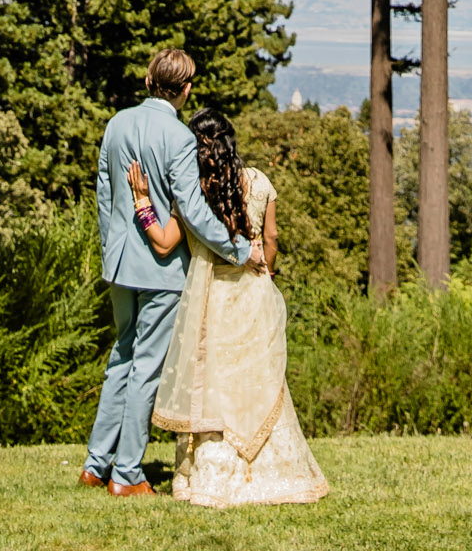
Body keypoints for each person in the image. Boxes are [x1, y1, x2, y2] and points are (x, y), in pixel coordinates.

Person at [131, 102, 329, 507]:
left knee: (215, 387)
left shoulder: (192, 194)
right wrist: (266, 272)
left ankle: (212, 472)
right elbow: (270, 239)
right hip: (253, 295)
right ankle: (274, 472)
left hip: (213, 298)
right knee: (259, 382)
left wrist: (142, 202)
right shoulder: (258, 182)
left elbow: (165, 243)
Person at [82, 47, 258, 495]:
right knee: (145, 368)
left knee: (120, 359)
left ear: (147, 81)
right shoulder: (179, 138)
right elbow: (194, 212)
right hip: (160, 270)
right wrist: (238, 248)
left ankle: (95, 464)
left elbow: (104, 196)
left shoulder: (116, 124)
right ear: (185, 89)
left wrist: (111, 247)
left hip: (120, 263)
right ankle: (126, 475)